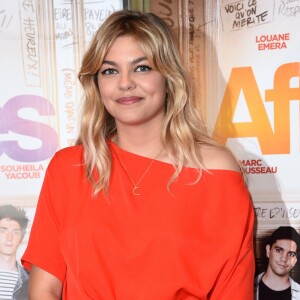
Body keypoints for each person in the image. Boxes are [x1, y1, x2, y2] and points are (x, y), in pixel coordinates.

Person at [21, 10, 255, 299]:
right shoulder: (69, 168)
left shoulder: (216, 172)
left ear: (168, 77)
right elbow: (44, 289)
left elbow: (234, 288)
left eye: (142, 67)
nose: (125, 83)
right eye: (110, 70)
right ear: (97, 84)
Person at [255, 226, 300, 299]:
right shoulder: (247, 287)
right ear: (268, 250)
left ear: (295, 260)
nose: (284, 259)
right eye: (279, 250)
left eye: (291, 254)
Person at [0, 205, 29, 300]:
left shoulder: (31, 280)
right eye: (3, 231)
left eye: (15, 232)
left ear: (21, 238)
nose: (9, 238)